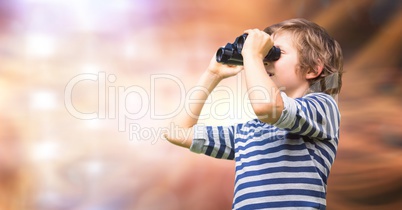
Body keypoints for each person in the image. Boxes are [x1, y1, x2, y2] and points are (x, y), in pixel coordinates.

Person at [164, 18, 343, 210]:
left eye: (275, 53)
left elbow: (268, 107)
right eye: (264, 54)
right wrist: (212, 74)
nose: (265, 60)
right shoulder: (248, 132)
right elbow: (177, 132)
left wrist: (252, 55)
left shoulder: (323, 108)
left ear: (313, 68)